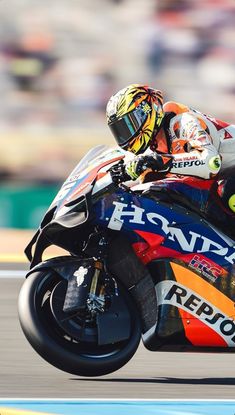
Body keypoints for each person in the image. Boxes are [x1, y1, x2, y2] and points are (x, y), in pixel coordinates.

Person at [106, 83, 235, 213]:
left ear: (146, 112)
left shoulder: (183, 122)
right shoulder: (153, 144)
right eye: (120, 131)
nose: (126, 136)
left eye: (129, 125)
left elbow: (211, 163)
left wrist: (158, 161)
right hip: (223, 174)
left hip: (228, 176)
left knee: (228, 190)